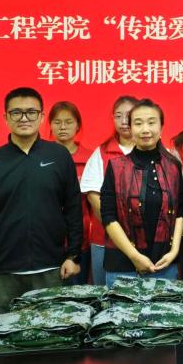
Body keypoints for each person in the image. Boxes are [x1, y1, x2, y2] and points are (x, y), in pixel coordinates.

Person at [0, 87, 83, 323]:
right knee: (1, 339)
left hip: (51, 269)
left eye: (31, 112)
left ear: (42, 117)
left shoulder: (59, 156)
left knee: (51, 336)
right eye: (16, 113)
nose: (24, 118)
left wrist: (73, 255)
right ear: (6, 118)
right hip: (1, 274)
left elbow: (73, 209)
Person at [100, 99, 183, 285]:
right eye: (138, 123)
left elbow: (180, 211)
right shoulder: (116, 167)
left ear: (161, 127)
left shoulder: (173, 166)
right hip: (123, 266)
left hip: (165, 264)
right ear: (130, 128)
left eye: (151, 122)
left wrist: (174, 251)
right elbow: (108, 216)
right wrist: (134, 256)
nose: (145, 129)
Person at [79, 96, 137, 287]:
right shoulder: (101, 153)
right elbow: (93, 197)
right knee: (105, 293)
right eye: (118, 116)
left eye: (128, 115)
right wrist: (115, 229)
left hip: (145, 241)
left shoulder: (155, 151)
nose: (123, 121)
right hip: (104, 240)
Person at [49, 101, 92, 285]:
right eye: (57, 122)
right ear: (50, 125)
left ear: (77, 125)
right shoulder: (41, 157)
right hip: (47, 240)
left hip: (81, 240)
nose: (63, 127)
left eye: (68, 122)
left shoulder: (90, 158)